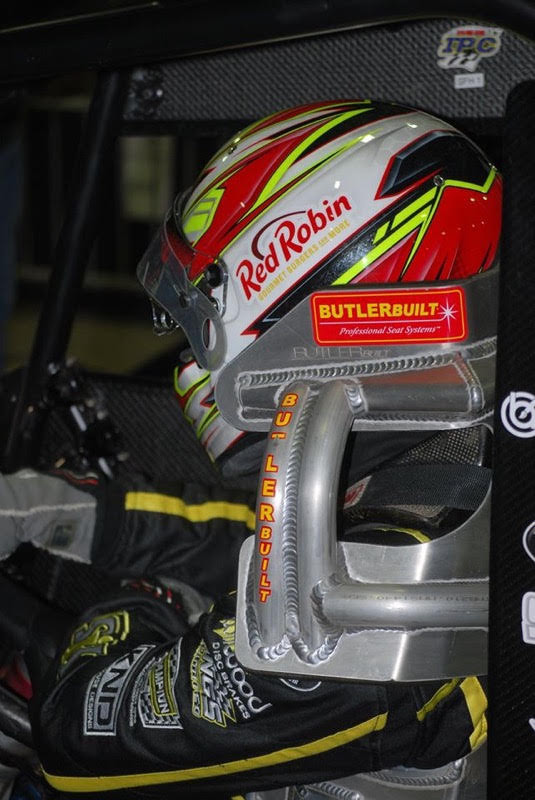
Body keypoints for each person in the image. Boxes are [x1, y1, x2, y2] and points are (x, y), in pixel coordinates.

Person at [1, 99, 499, 797]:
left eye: (199, 314)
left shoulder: (407, 590)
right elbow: (271, 542)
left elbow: (76, 733)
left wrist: (139, 605)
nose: (185, 346)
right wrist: (75, 515)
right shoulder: (441, 481)